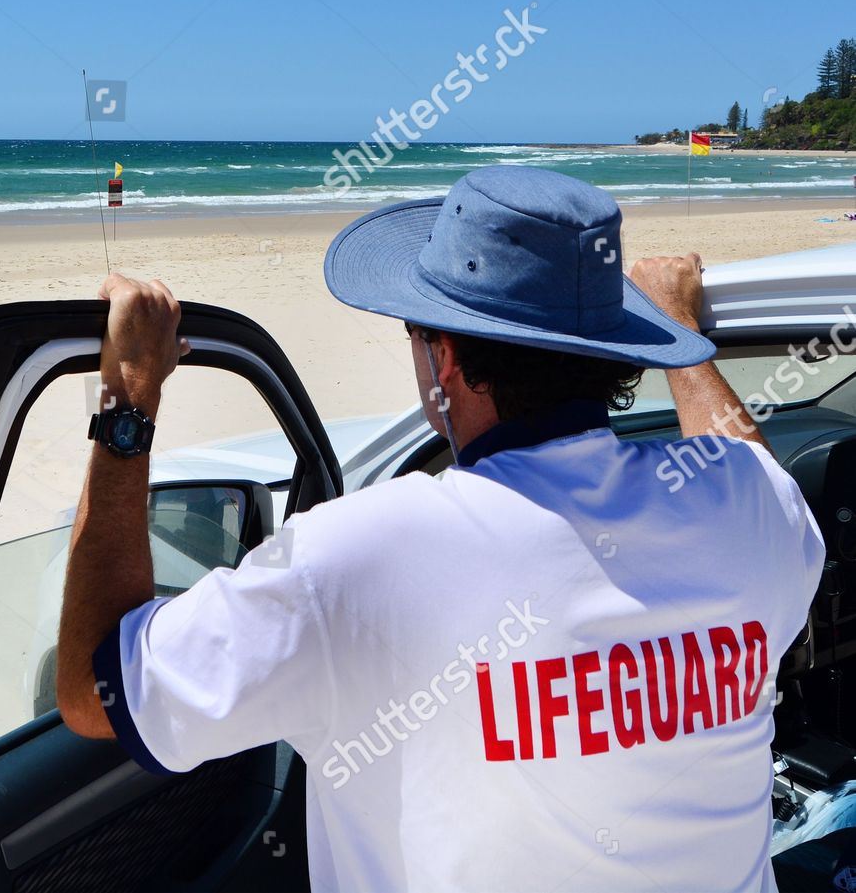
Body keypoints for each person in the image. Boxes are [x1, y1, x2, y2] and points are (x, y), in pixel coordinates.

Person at [57, 165, 824, 890]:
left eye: (416, 336)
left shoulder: (351, 559)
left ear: (445, 357)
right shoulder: (743, 505)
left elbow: (95, 695)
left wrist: (128, 394)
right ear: (612, 353)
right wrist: (681, 337)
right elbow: (752, 472)